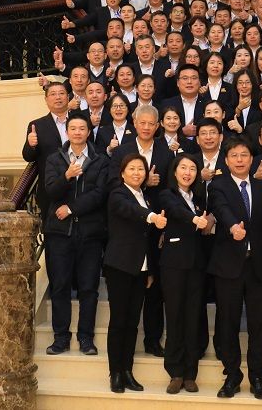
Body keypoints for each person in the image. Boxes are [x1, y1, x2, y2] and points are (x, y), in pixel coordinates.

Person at [207, 137, 262, 400]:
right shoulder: (218, 185)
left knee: (259, 323)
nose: (239, 160)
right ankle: (232, 375)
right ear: (226, 160)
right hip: (228, 265)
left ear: (252, 159)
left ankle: (258, 377)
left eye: (244, 155)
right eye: (234, 155)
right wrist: (233, 225)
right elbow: (221, 208)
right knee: (228, 322)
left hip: (258, 265)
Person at [108, 104, 174, 357]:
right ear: (134, 123)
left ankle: (153, 340)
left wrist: (162, 223)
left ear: (158, 127)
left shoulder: (166, 154)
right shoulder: (121, 151)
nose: (146, 127)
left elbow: (170, 191)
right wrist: (145, 182)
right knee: (125, 306)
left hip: (157, 230)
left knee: (154, 289)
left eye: (151, 124)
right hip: (129, 230)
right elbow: (114, 186)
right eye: (142, 122)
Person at [43, 114, 108, 356]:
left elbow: (100, 194)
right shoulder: (54, 159)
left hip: (90, 234)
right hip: (59, 233)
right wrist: (67, 176)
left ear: (89, 132)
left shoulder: (100, 160)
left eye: (82, 128)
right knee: (60, 286)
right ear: (67, 132)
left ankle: (86, 338)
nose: (78, 132)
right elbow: (51, 191)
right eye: (73, 128)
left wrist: (71, 208)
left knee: (89, 288)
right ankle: (60, 338)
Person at [104, 153, 167, 393]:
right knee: (119, 321)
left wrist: (149, 269)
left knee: (132, 323)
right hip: (120, 265)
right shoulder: (118, 194)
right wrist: (151, 216)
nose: (137, 173)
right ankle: (115, 373)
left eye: (141, 169)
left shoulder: (146, 197)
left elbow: (147, 238)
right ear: (122, 173)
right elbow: (129, 210)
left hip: (141, 268)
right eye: (132, 168)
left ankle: (127, 371)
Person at [158, 154, 213, 393]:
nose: (188, 172)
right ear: (175, 171)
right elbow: (176, 210)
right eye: (183, 168)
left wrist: (207, 221)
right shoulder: (166, 195)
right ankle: (175, 372)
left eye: (192, 168)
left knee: (193, 318)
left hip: (196, 266)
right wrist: (195, 220)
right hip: (173, 264)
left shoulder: (199, 198)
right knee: (175, 316)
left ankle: (191, 373)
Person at [22, 83, 72, 219]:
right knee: (50, 228)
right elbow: (28, 156)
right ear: (46, 99)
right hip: (50, 187)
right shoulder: (37, 125)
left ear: (68, 97)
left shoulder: (79, 120)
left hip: (78, 186)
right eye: (53, 94)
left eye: (61, 93)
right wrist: (31, 145)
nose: (58, 97)